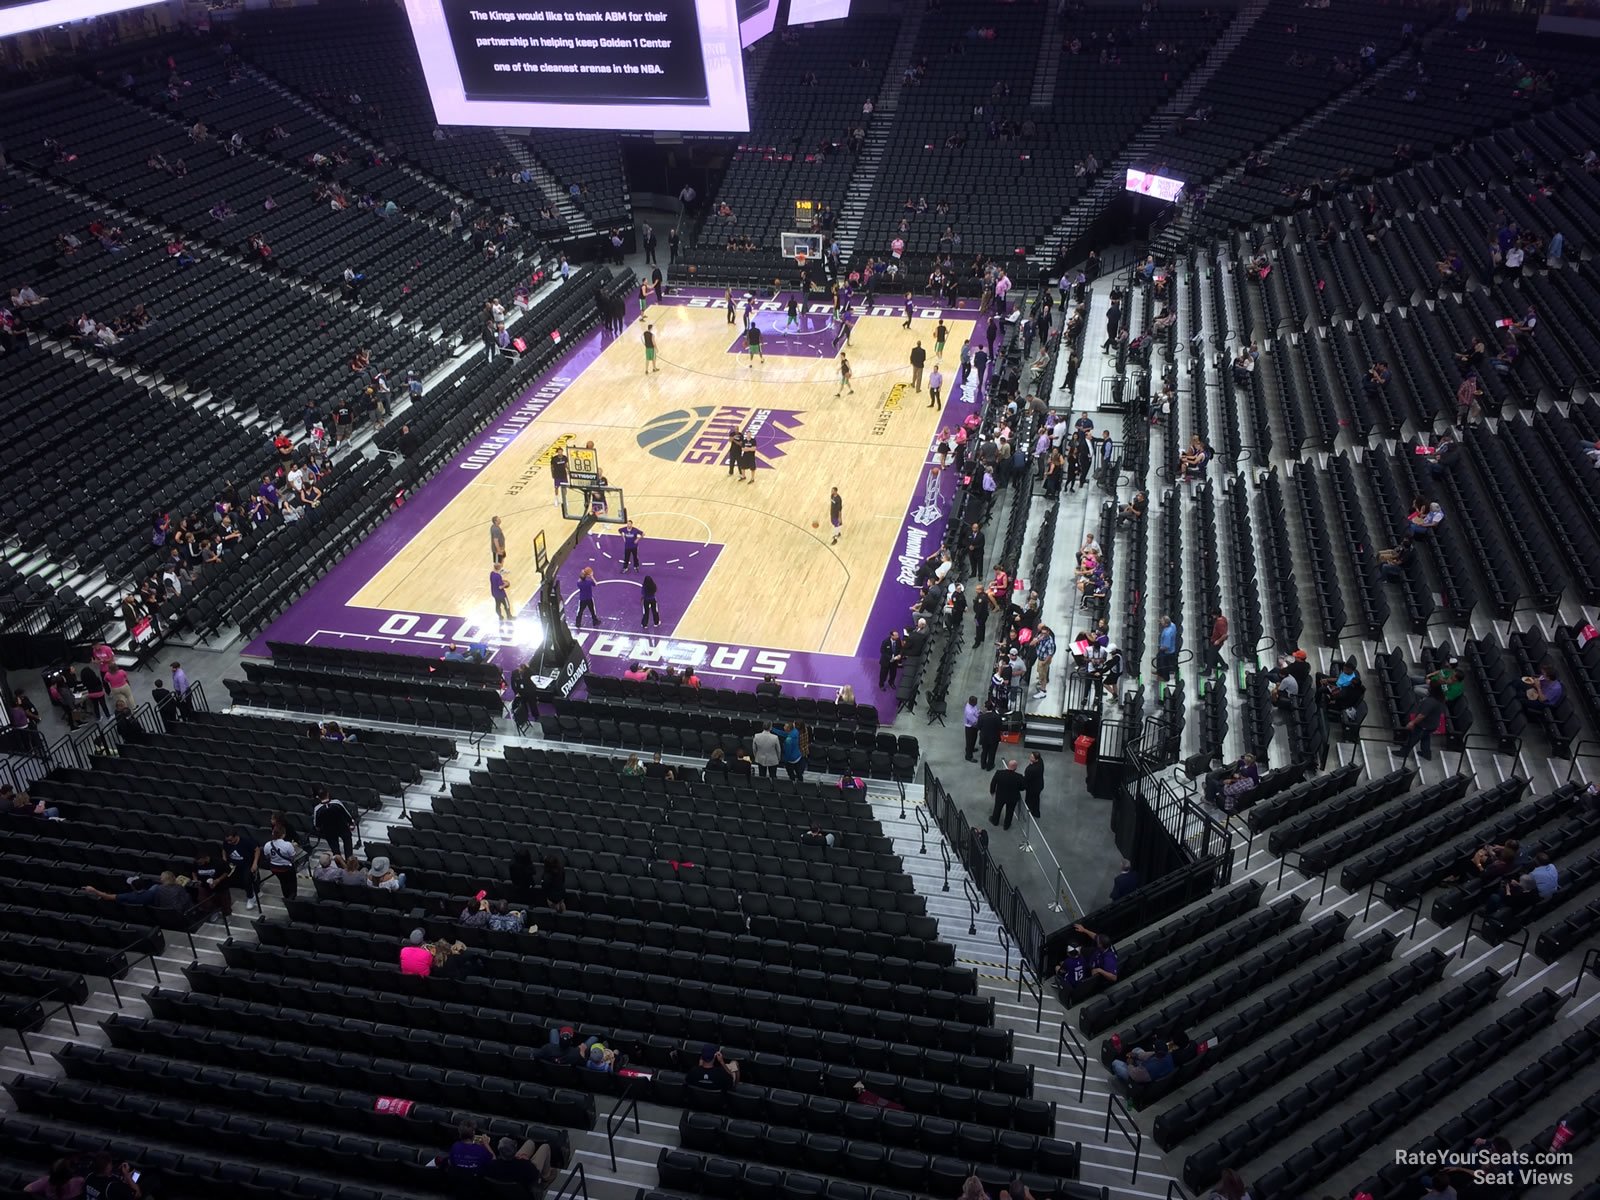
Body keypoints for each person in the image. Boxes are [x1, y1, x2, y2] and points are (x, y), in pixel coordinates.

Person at [83, 871, 191, 910]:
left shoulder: (129, 896)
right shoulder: (152, 893)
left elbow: (107, 897)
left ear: (133, 887)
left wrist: (93, 890)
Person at [1397, 682, 1447, 762]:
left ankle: (1404, 752)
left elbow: (1422, 715)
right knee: (1425, 737)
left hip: (1425, 725)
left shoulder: (1430, 701)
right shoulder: (1441, 698)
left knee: (1413, 738)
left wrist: (1412, 722)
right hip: (1432, 724)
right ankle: (1426, 753)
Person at [313, 788, 356, 860]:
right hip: (342, 827)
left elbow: (317, 825)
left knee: (336, 851)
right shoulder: (337, 803)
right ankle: (349, 861)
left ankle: (340, 866)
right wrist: (351, 823)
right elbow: (346, 814)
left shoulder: (317, 809)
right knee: (347, 842)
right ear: (328, 794)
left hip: (329, 832)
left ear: (318, 797)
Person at [988, 758, 1024, 829]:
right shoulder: (1019, 777)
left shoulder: (999, 773)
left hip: (1000, 796)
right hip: (1012, 798)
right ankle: (1006, 825)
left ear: (1008, 765)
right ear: (1016, 768)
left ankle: (995, 821)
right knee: (1010, 811)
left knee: (997, 808)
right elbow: (1022, 788)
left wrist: (992, 791)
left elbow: (993, 783)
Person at [1023, 751, 1044, 819]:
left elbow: (1026, 778)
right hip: (1039, 785)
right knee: (1036, 799)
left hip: (1032, 788)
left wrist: (1030, 764)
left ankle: (1029, 812)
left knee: (1029, 800)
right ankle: (1036, 812)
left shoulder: (1031, 769)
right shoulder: (1040, 761)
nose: (1030, 757)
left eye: (1032, 757)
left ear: (1036, 759)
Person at [963, 694, 981, 761]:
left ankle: (972, 748)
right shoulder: (969, 711)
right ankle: (969, 756)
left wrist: (979, 713)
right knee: (970, 741)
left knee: (974, 738)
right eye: (975, 702)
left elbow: (976, 712)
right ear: (972, 702)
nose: (976, 703)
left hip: (973, 726)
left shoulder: (973, 705)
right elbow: (974, 721)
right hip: (970, 727)